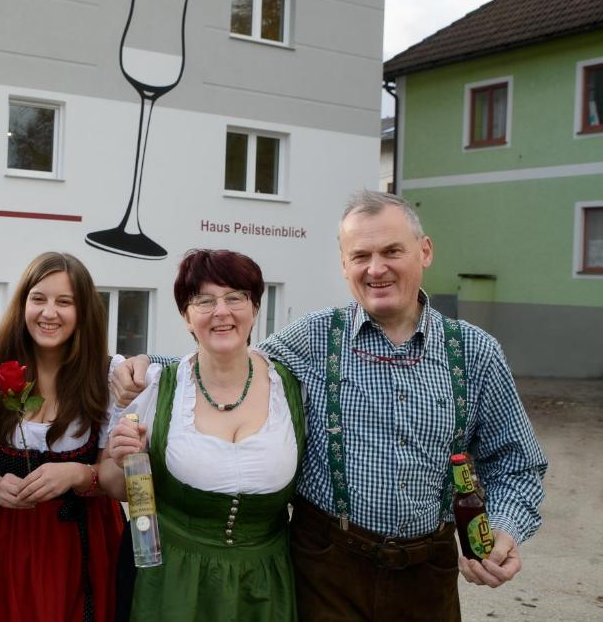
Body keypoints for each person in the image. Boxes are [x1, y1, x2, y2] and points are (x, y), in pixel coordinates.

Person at [114, 191, 548, 621]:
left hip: (427, 571)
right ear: (344, 266)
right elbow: (229, 361)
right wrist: (147, 365)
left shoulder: (475, 352)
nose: (376, 269)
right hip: (326, 567)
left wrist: (505, 530)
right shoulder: (315, 336)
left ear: (425, 251)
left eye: (392, 251)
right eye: (360, 256)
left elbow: (516, 463)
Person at [100, 249, 304, 622]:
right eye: (204, 301)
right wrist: (118, 457)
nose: (221, 311)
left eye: (235, 297)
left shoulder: (290, 387)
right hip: (173, 582)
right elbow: (115, 486)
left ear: (255, 308)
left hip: (264, 584)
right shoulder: (157, 388)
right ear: (186, 316)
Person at [0, 252, 124, 622]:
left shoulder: (110, 375)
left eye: (65, 302)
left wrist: (83, 475)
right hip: (12, 537)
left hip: (86, 538)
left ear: (84, 312)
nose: (49, 312)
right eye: (39, 299)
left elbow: (123, 480)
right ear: (23, 304)